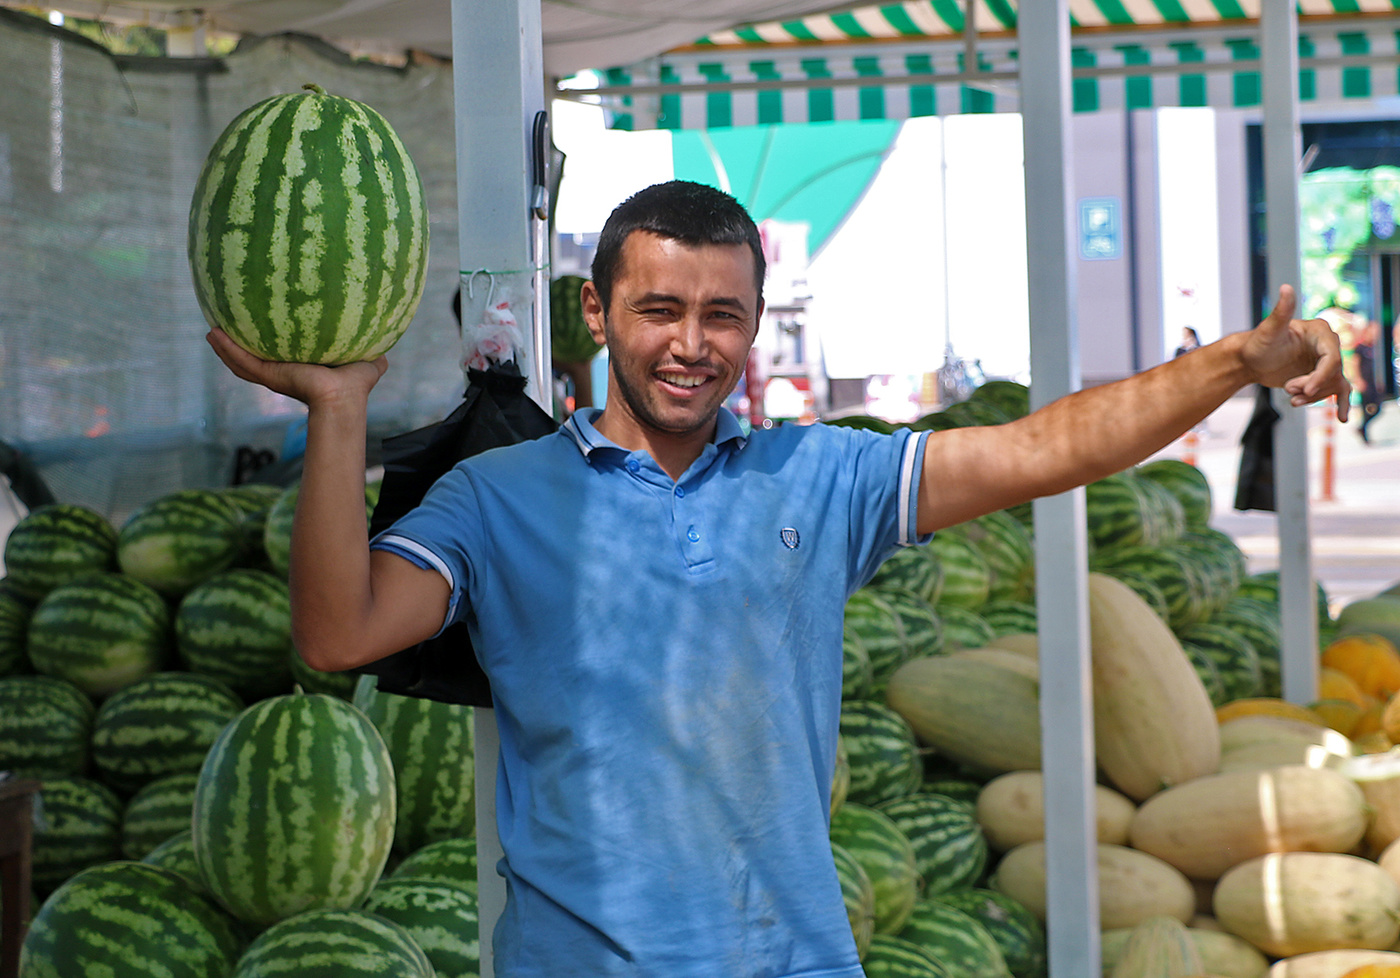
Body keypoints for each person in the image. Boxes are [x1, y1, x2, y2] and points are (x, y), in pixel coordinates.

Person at [206, 180, 1350, 978]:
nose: (689, 344)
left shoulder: (820, 475)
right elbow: (339, 635)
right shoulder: (493, 496)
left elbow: (1043, 448)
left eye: (723, 315)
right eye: (657, 310)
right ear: (595, 312)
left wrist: (1231, 363)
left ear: (755, 325)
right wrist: (339, 407)